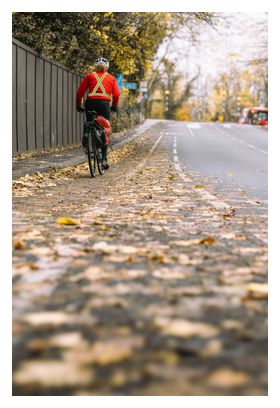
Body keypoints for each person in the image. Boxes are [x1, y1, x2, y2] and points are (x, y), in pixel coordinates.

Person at [76, 57, 120, 169]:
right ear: (106, 67)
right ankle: (104, 159)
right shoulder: (111, 78)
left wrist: (78, 105)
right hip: (104, 105)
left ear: (96, 67)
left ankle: (87, 131)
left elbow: (80, 92)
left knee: (90, 120)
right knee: (105, 129)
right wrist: (114, 106)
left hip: (90, 103)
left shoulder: (89, 76)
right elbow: (116, 94)